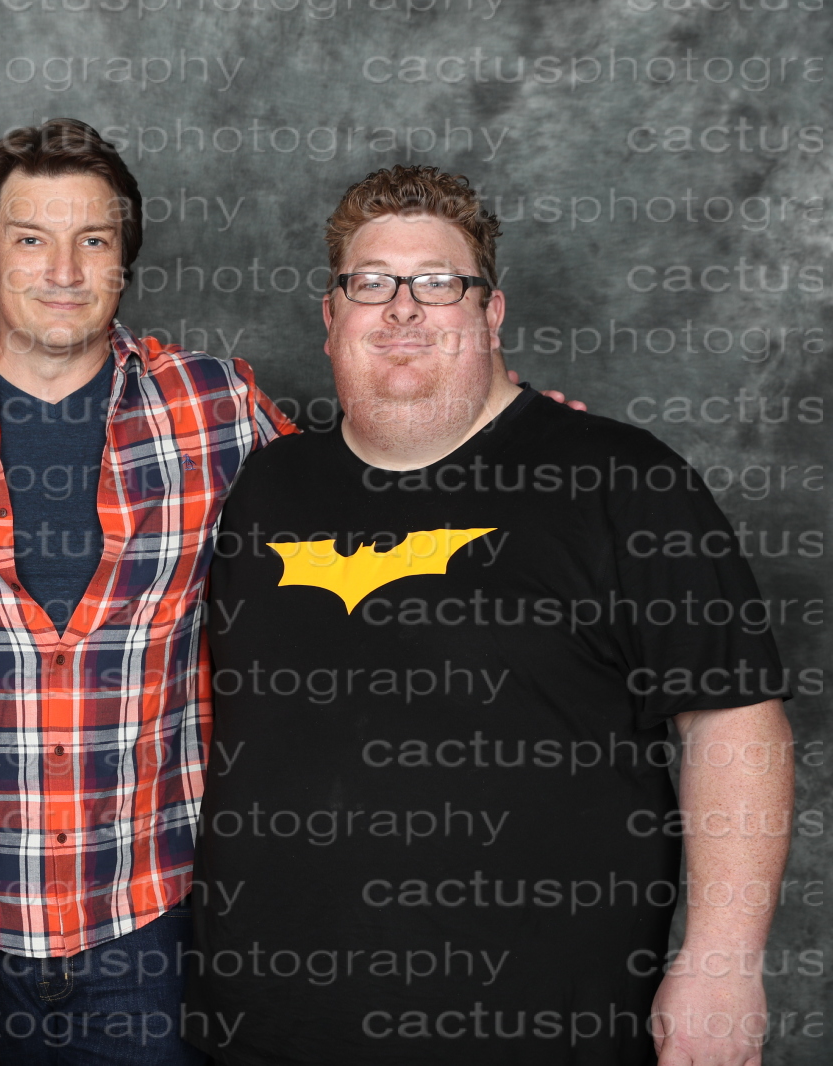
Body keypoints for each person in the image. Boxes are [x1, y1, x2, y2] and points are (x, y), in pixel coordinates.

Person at [0, 121, 579, 1064]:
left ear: (124, 260)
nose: (63, 270)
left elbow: (370, 485)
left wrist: (505, 433)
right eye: (31, 239)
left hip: (154, 932)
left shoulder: (214, 406)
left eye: (94, 240)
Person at [187, 164, 795, 1066]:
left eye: (439, 283)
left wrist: (723, 962)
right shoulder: (267, 487)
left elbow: (732, 720)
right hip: (267, 1024)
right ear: (331, 316)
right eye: (371, 283)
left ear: (492, 313)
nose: (402, 309)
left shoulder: (620, 480)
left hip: (538, 1024)